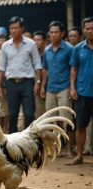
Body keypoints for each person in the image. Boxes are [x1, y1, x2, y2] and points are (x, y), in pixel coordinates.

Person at [0, 16, 42, 134]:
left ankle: (30, 140)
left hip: (27, 83)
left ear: (22, 28)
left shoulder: (31, 44)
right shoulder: (5, 45)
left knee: (29, 114)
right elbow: (1, 67)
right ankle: (13, 143)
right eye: (11, 28)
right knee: (12, 114)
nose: (13, 31)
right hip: (11, 84)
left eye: (16, 28)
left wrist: (38, 82)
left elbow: (37, 64)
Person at [40, 21, 74, 157]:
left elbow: (73, 69)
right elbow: (45, 70)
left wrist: (72, 87)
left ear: (62, 33)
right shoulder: (47, 50)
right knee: (52, 121)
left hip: (64, 87)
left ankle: (70, 149)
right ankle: (55, 148)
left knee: (67, 119)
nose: (53, 34)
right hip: (50, 88)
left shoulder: (69, 49)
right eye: (51, 32)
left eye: (56, 32)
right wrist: (42, 85)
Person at [68, 17, 93, 165]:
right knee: (80, 125)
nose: (90, 31)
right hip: (82, 92)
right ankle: (79, 155)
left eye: (92, 28)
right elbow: (74, 69)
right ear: (83, 30)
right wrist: (72, 87)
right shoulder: (78, 49)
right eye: (88, 28)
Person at [33, 31, 47, 118]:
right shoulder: (31, 54)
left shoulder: (48, 53)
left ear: (45, 41)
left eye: (39, 40)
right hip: (34, 84)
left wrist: (42, 84)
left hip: (48, 84)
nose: (36, 42)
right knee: (37, 110)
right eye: (35, 40)